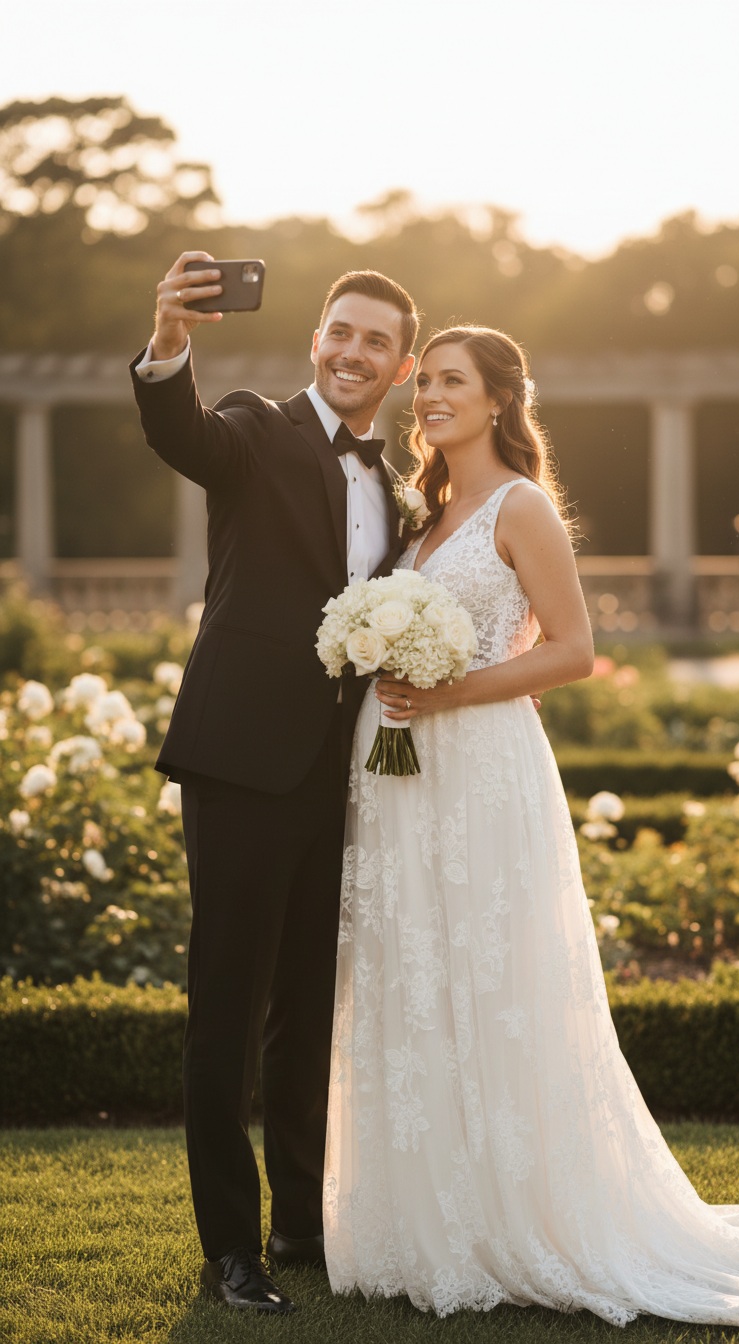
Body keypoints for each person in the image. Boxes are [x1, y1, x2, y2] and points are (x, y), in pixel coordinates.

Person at [324, 326, 739, 1326]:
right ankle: (422, 1222)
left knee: (493, 977)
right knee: (412, 973)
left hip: (479, 765)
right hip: (397, 773)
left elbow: (572, 650)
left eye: (453, 382)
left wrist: (449, 692)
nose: (431, 397)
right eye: (426, 383)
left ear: (499, 401)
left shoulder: (521, 506)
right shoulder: (423, 512)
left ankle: (516, 1218)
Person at [130, 254, 419, 1313]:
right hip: (239, 761)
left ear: (401, 366)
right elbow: (183, 435)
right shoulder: (255, 426)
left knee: (307, 1005)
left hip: (336, 776)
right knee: (228, 1005)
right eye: (340, 331)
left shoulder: (398, 489)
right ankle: (231, 1252)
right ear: (315, 340)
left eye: (375, 341)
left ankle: (300, 1221)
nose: (352, 352)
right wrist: (169, 343)